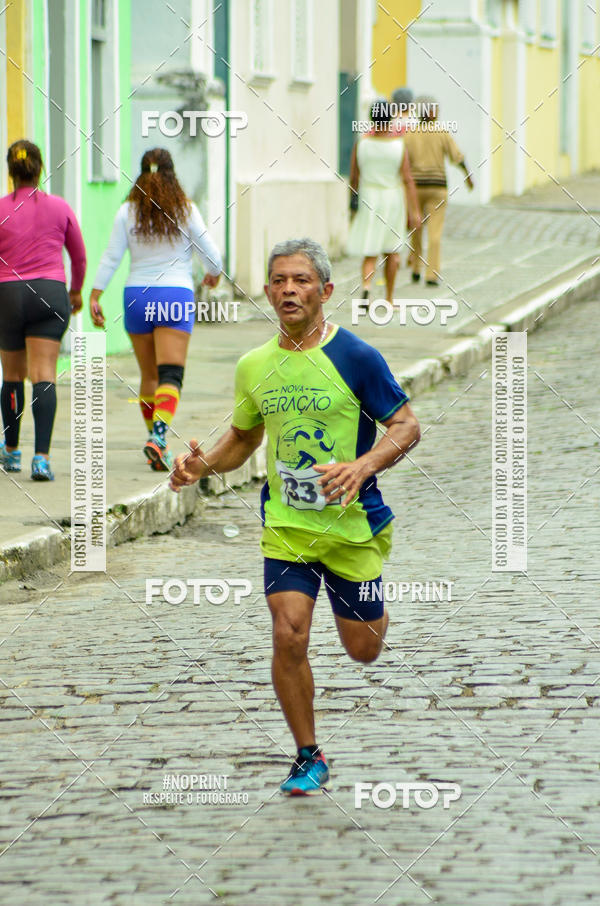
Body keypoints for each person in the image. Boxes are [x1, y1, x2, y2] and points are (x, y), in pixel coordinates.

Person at [169, 238, 421, 795]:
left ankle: (370, 608)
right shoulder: (254, 365)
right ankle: (308, 754)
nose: (289, 290)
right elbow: (243, 439)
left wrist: (361, 466)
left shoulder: (356, 357)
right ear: (267, 291)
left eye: (301, 280)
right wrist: (201, 465)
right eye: (279, 280)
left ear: (325, 291)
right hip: (287, 527)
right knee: (288, 633)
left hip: (352, 526)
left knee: (364, 649)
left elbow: (406, 425)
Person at [90, 148, 222, 470]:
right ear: (171, 173)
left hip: (137, 297)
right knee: (171, 375)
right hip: (174, 295)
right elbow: (213, 257)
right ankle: (159, 437)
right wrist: (213, 274)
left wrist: (95, 295)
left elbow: (111, 257)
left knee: (149, 376)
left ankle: (157, 444)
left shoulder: (127, 211)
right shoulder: (185, 209)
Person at [0, 140, 86, 481]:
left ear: (11, 172)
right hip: (49, 294)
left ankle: (11, 452)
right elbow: (79, 257)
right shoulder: (59, 207)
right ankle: (41, 460)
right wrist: (76, 291)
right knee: (44, 373)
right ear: (40, 169)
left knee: (12, 375)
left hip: (7, 295)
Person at [348, 100, 421, 305]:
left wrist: (352, 203)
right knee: (392, 251)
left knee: (370, 248)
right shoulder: (399, 146)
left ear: (372, 118)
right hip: (392, 199)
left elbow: (354, 177)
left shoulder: (361, 144)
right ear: (390, 119)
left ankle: (366, 286)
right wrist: (414, 211)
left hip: (369, 197)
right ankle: (389, 298)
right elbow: (407, 179)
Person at [403, 96, 474, 285]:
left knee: (416, 228)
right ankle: (432, 274)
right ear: (431, 112)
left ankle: (416, 268)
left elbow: (403, 161)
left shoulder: (410, 134)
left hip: (416, 188)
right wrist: (468, 176)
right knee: (435, 232)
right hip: (437, 188)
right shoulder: (442, 132)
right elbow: (457, 157)